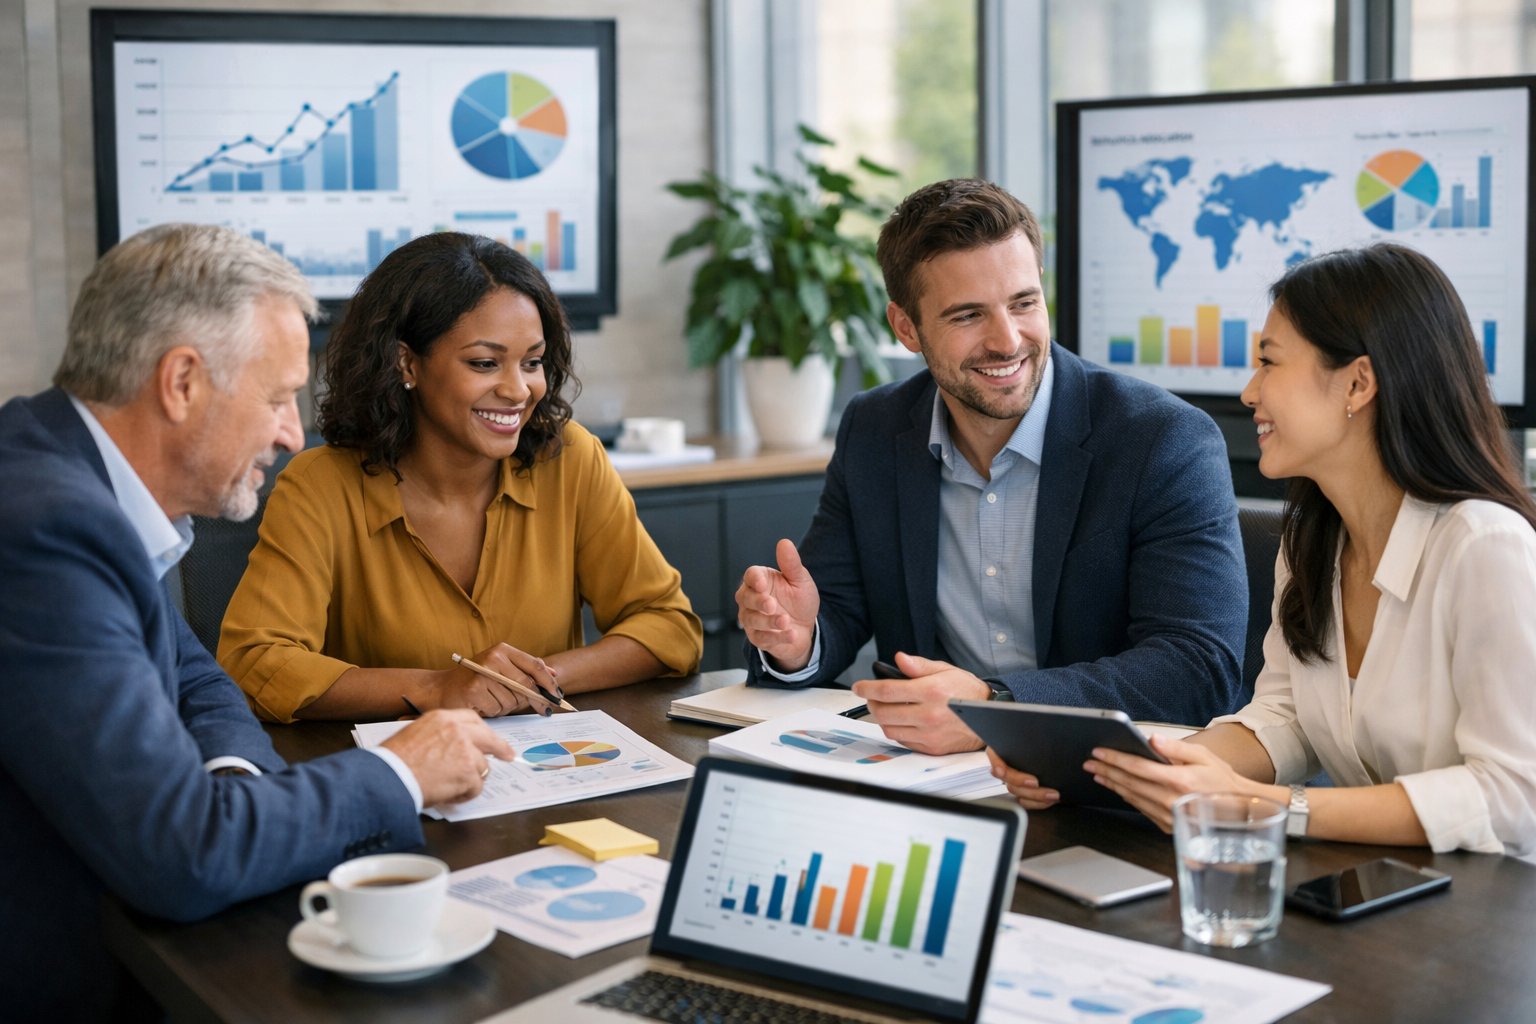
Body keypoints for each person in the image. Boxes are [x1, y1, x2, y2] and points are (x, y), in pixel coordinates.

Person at [0, 223, 517, 1019]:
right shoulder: (46, 529)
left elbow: (198, 680)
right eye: (276, 397)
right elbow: (183, 856)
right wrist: (402, 771)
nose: (291, 432)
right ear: (182, 382)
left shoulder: (64, 473)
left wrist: (230, 787)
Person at [1014, 243, 1536, 856]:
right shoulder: (1315, 540)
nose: (1249, 392)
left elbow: (1513, 797)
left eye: (1269, 363)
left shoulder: (1486, 548)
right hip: (1377, 894)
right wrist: (1135, 769)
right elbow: (1286, 720)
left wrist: (1265, 806)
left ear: (1358, 382)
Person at [735, 178, 1247, 756]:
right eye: (968, 316)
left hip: (1108, 778)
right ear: (906, 327)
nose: (1007, 341)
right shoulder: (874, 429)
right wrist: (797, 642)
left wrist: (995, 705)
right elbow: (835, 611)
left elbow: (1197, 668)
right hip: (933, 776)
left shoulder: (1161, 439)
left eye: (1024, 303)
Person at [218, 232, 702, 724]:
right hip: (401, 781)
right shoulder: (321, 485)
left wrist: (530, 681)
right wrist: (437, 688)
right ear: (406, 362)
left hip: (549, 774)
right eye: (484, 363)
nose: (518, 390)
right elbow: (254, 664)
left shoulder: (570, 459)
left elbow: (670, 628)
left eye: (532, 362)